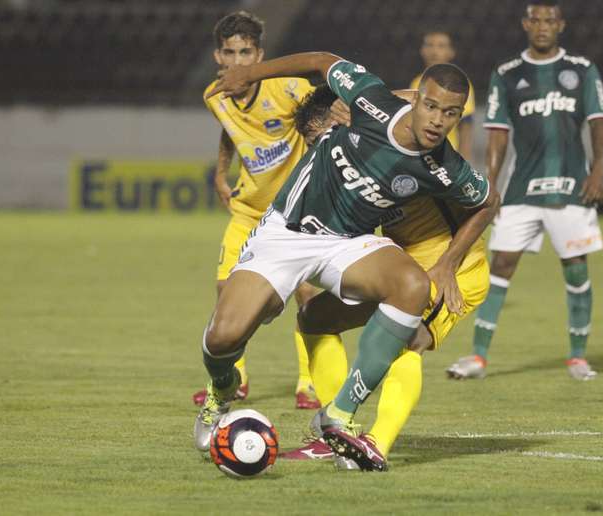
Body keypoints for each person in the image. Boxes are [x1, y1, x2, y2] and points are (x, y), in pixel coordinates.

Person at [193, 51, 498, 473]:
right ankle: (222, 388)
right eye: (430, 106)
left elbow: (487, 201)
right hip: (289, 233)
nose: (437, 120)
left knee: (411, 313)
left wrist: (447, 264)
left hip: (378, 249)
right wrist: (249, 74)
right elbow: (323, 61)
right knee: (236, 334)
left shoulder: (445, 167)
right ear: (415, 102)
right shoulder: (369, 104)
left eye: (450, 113)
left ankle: (349, 424)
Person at [279, 85, 491, 470]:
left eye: (317, 139)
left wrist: (446, 266)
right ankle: (335, 434)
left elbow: (413, 98)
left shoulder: (393, 133)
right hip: (398, 265)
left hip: (450, 269)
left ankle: (378, 442)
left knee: (407, 340)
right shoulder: (343, 164)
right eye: (310, 145)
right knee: (315, 317)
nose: (317, 150)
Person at [446, 0, 603, 381]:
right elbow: (498, 135)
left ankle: (577, 357)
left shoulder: (582, 71)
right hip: (522, 188)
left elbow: (599, 122)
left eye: (549, 20)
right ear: (525, 24)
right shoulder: (507, 74)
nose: (542, 26)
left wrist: (599, 170)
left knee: (575, 267)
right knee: (500, 264)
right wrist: (489, 184)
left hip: (571, 188)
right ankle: (478, 357)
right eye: (535, 20)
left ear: (561, 25)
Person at [193, 11, 343, 409]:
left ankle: (308, 383)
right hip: (247, 211)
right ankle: (235, 379)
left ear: (259, 54)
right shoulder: (214, 96)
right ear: (217, 57)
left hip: (296, 214)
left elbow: (323, 113)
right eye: (230, 52)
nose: (238, 61)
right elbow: (230, 131)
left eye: (246, 52)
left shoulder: (288, 88)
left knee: (308, 297)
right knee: (227, 296)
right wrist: (221, 172)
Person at [410, 31, 475, 161]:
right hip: (417, 159)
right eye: (430, 45)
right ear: (422, 50)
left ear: (451, 52)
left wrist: (464, 165)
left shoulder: (459, 85)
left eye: (441, 46)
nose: (434, 51)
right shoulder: (415, 83)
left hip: (445, 161)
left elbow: (465, 128)